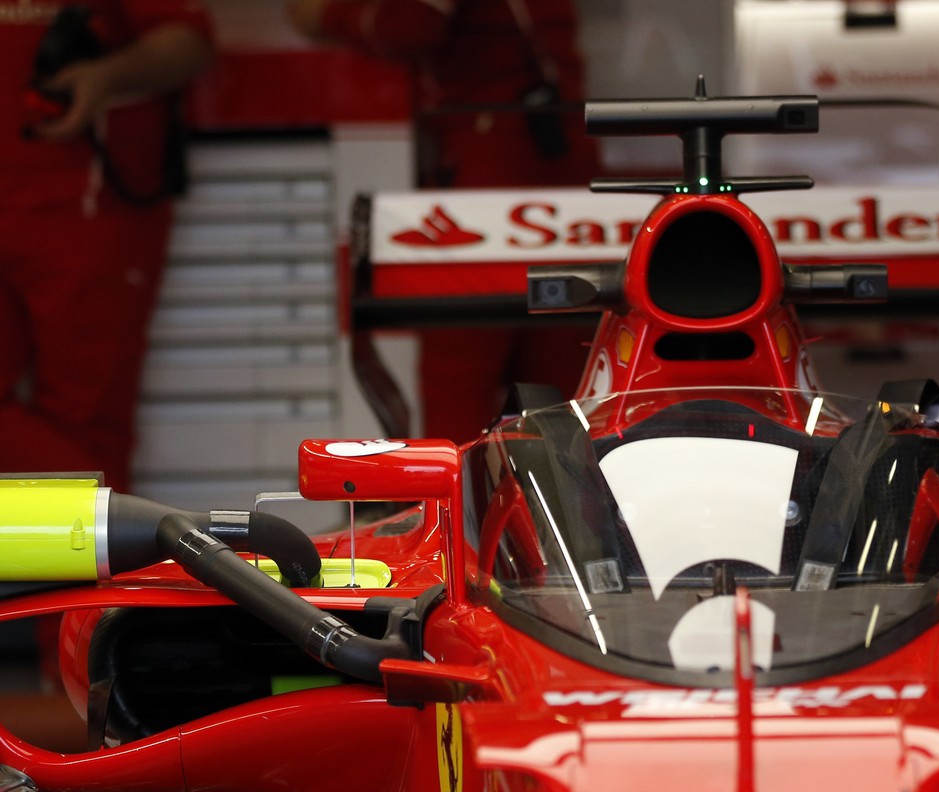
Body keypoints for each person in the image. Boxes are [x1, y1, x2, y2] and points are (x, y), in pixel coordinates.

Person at [286, 0, 599, 443]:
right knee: (560, 378)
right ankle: (570, 506)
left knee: (460, 370)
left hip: (495, 156)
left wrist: (325, 15)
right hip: (561, 149)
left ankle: (450, 509)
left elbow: (411, 24)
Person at [0, 0, 215, 492]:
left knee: (88, 420)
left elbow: (189, 42)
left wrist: (106, 76)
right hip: (61, 201)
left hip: (83, 204)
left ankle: (100, 559)